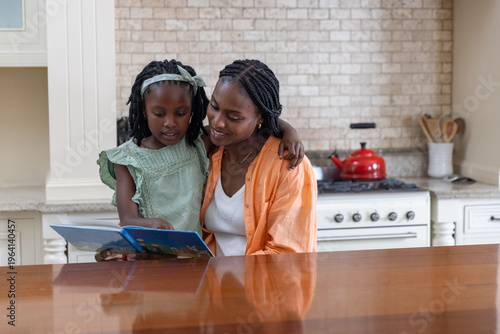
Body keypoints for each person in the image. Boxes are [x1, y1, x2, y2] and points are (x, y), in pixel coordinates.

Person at [96, 59, 305, 261]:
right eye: (214, 106)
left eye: (180, 113)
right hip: (165, 264)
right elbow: (128, 220)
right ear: (144, 109)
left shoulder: (197, 144)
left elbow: (258, 113)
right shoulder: (129, 158)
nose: (170, 123)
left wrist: (287, 129)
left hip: (200, 272)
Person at [201, 59, 317, 256]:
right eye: (214, 106)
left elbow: (288, 253)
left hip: (262, 285)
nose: (217, 122)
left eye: (233, 117)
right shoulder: (208, 151)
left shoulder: (289, 165)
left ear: (260, 117)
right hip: (211, 284)